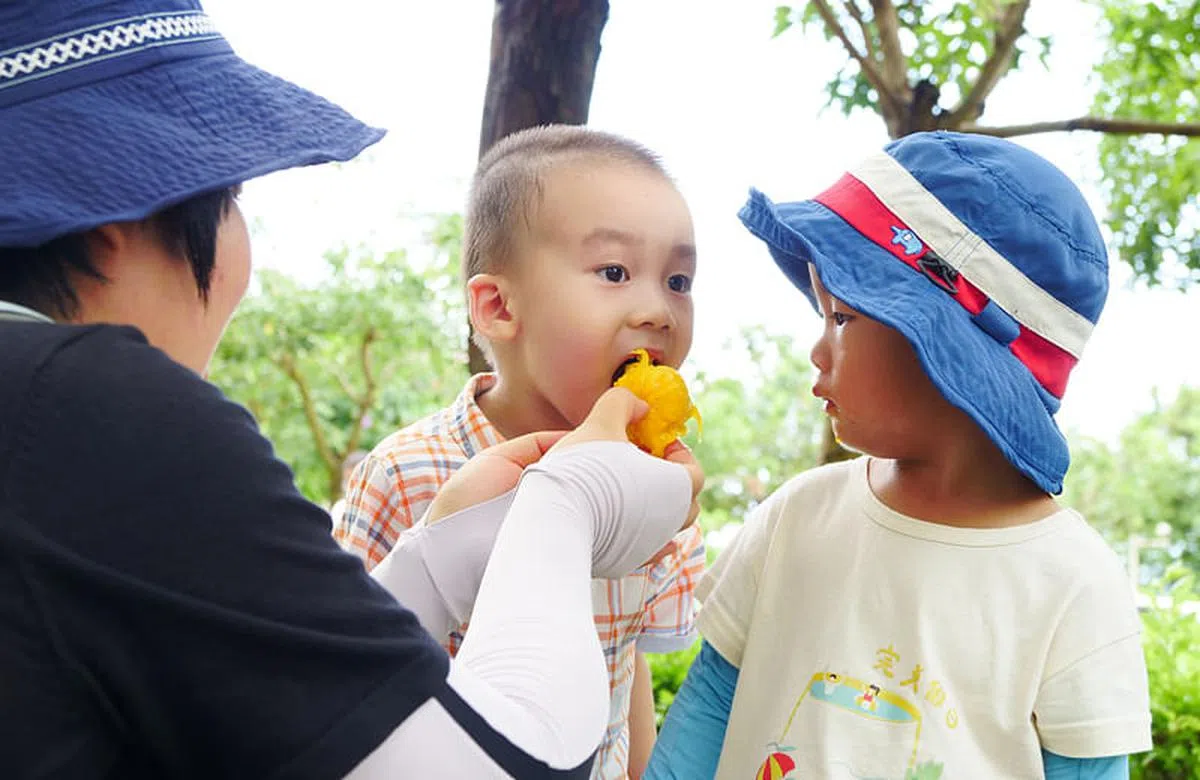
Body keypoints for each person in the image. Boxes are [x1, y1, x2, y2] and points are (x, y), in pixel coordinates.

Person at [0, 1, 702, 777]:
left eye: (678, 279)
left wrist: (432, 569)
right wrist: (571, 506)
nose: (654, 308)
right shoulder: (101, 413)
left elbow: (298, 717)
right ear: (114, 227)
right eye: (229, 199)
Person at [645, 132, 1152, 779]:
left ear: (947, 351)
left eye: (843, 318)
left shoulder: (1071, 582)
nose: (816, 350)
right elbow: (712, 705)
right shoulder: (797, 518)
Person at [335, 124, 706, 778]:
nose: (658, 310)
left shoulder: (661, 487)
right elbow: (337, 664)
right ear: (500, 306)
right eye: (615, 272)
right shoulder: (406, 473)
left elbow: (626, 665)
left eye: (678, 280)